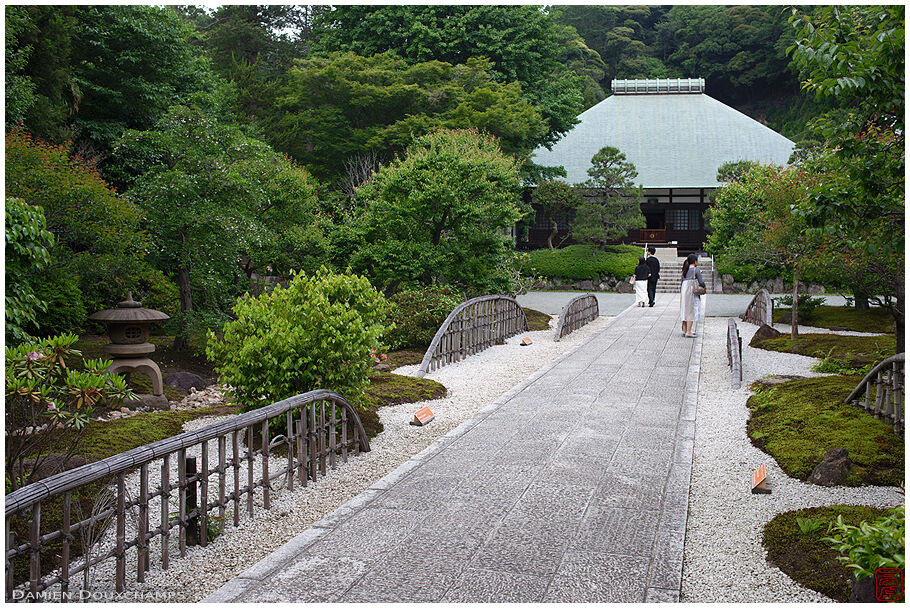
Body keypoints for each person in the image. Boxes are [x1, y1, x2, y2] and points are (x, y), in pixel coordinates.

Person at [679, 253, 706, 337]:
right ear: (695, 261)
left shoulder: (685, 270)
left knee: (684, 309)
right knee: (691, 310)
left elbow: (682, 282)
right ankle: (689, 331)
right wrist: (704, 287)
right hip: (691, 290)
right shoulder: (696, 269)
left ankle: (684, 330)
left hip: (684, 290)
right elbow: (701, 282)